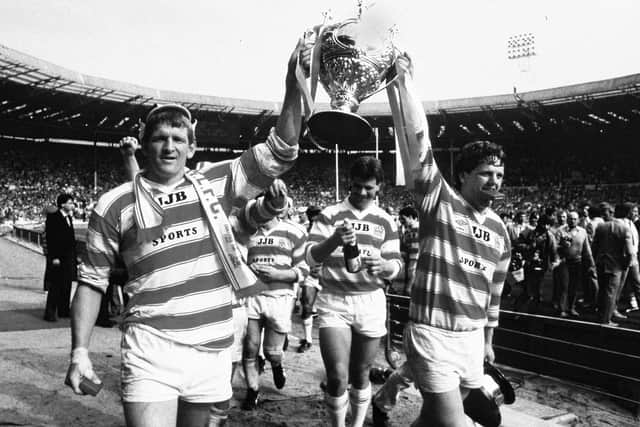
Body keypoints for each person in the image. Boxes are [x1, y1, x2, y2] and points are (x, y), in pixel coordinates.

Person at [64, 42, 304, 427]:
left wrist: (294, 86)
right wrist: (79, 352)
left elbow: (280, 152)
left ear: (192, 147)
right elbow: (91, 283)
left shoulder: (217, 183)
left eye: (178, 138)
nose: (169, 146)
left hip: (211, 349)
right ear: (144, 145)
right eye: (160, 138)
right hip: (150, 349)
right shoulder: (113, 204)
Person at [373, 54, 511, 427]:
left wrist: (487, 340)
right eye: (485, 173)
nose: (495, 181)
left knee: (433, 421)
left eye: (499, 174)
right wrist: (405, 85)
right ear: (464, 174)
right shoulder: (441, 203)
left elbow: (493, 294)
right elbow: (419, 143)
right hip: (432, 333)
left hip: (470, 340)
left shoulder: (501, 230)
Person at [305, 156, 402, 427]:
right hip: (334, 300)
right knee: (337, 376)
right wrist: (335, 239)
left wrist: (385, 266)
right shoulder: (330, 214)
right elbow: (311, 258)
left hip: (370, 300)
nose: (361, 192)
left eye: (368, 188)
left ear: (379, 187)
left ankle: (357, 424)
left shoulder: (385, 220)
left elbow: (397, 265)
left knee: (362, 372)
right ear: (350, 183)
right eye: (357, 186)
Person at [241, 181, 309, 410]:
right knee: (250, 347)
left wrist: (279, 273)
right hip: (252, 296)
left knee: (272, 352)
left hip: (280, 298)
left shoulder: (295, 231)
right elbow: (239, 262)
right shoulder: (247, 231)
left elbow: (304, 270)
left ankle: (277, 365)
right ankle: (253, 391)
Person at [591, 202, 633, 326]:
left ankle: (600, 316)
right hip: (616, 266)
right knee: (611, 293)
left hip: (601, 263)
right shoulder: (624, 229)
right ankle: (606, 320)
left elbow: (594, 247)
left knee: (603, 291)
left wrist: (595, 261)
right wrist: (626, 264)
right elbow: (630, 252)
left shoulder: (600, 227)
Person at [43, 193, 77, 322]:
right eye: (70, 203)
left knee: (66, 284)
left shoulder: (69, 218)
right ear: (62, 204)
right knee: (56, 285)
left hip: (69, 257)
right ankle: (50, 312)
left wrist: (75, 257)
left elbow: (71, 239)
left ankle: (64, 310)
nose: (72, 205)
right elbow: (51, 239)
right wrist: (55, 257)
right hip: (58, 257)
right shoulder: (53, 218)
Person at [556, 210, 594, 317]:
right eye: (570, 219)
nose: (572, 221)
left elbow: (587, 249)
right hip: (564, 261)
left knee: (574, 286)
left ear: (578, 220)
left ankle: (571, 308)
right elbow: (554, 247)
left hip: (578, 261)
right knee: (564, 286)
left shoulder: (582, 231)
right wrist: (562, 246)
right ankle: (562, 309)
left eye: (574, 219)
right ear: (567, 219)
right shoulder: (560, 231)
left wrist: (591, 263)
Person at [298, 205, 322, 354]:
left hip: (327, 275)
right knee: (306, 305)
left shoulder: (330, 230)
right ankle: (308, 339)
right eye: (313, 218)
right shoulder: (303, 231)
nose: (315, 222)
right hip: (311, 275)